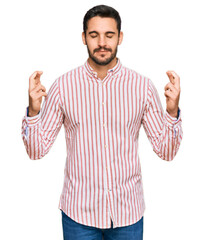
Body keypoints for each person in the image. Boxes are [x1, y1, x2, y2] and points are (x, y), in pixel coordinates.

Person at [21, 4, 182, 240]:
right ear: (84, 38)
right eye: (94, 35)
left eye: (109, 35)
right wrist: (34, 111)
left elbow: (166, 152)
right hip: (79, 215)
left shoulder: (142, 87)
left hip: (128, 214)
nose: (102, 43)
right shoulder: (63, 87)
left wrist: (171, 109)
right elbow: (36, 151)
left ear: (120, 37)